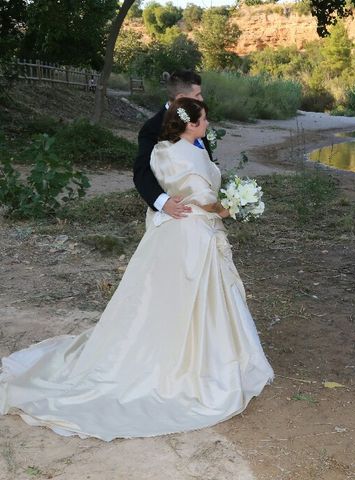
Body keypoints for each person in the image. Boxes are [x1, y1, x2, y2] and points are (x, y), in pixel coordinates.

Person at [0, 98, 274, 441]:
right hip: (191, 238)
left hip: (186, 234)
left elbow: (189, 191)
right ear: (191, 123)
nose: (208, 124)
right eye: (204, 119)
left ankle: (186, 355)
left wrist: (224, 205)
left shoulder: (180, 150)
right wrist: (232, 206)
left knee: (178, 302)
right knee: (185, 301)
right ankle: (191, 366)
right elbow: (201, 199)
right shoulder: (179, 153)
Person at [134, 70, 217, 223]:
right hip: (174, 216)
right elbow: (142, 171)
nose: (202, 98)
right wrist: (163, 202)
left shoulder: (198, 119)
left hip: (205, 213)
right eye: (197, 95)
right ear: (181, 98)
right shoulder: (153, 128)